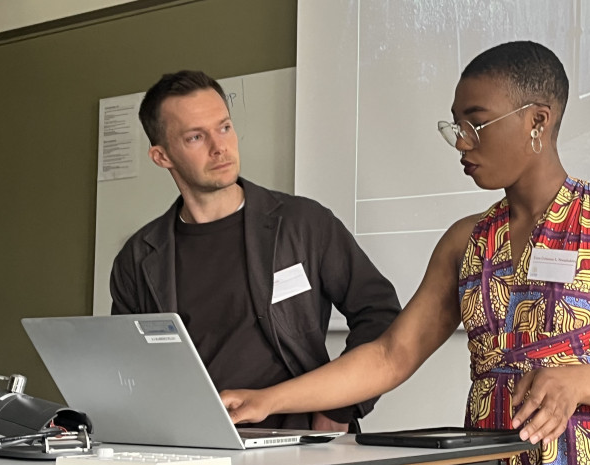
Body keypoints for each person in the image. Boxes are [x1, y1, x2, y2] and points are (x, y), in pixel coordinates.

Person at [221, 41, 590, 465]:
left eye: (477, 123)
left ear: (537, 120)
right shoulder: (465, 241)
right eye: (455, 126)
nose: (461, 143)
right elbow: (390, 355)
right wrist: (268, 401)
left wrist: (578, 382)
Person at [109, 70, 401, 433]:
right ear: (162, 156)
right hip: (194, 443)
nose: (219, 147)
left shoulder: (304, 223)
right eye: (196, 137)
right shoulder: (138, 258)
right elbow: (128, 367)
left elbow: (380, 314)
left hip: (301, 441)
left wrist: (340, 408)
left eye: (224, 127)